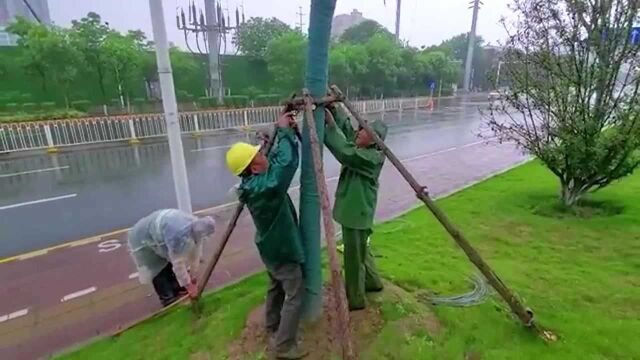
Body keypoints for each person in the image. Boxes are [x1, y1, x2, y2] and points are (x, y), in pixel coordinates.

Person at [225, 112, 306, 359]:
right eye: (259, 154)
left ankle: (272, 325)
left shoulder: (254, 182)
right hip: (280, 247)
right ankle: (284, 345)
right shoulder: (265, 187)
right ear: (252, 166)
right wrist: (285, 133)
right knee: (295, 291)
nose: (263, 154)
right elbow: (286, 165)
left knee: (275, 285)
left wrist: (281, 133)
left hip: (270, 247)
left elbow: (272, 161)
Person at [324, 104, 386, 311]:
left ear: (374, 139)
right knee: (361, 251)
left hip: (357, 213)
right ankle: (373, 282)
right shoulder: (364, 145)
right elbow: (349, 131)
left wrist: (329, 129)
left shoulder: (371, 157)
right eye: (359, 129)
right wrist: (335, 110)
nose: (358, 132)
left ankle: (356, 300)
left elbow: (345, 151)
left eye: (363, 131)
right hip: (357, 212)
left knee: (353, 257)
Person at [127, 209, 215, 306]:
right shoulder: (178, 235)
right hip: (142, 238)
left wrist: (193, 276)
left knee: (167, 260)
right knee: (157, 268)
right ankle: (167, 297)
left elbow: (196, 250)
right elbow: (178, 264)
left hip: (159, 231)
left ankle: (176, 286)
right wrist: (189, 286)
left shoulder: (195, 225)